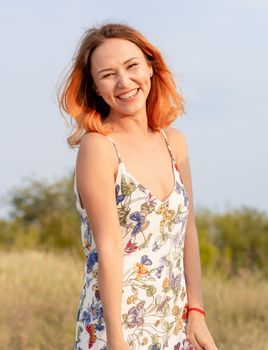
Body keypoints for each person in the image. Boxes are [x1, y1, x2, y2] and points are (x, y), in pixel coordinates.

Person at [59, 22, 219, 350]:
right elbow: (109, 248)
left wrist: (197, 312)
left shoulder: (175, 142)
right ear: (96, 89)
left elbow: (187, 230)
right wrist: (117, 341)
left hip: (174, 324)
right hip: (115, 329)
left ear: (150, 67)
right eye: (107, 74)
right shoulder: (99, 147)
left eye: (132, 66)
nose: (124, 82)